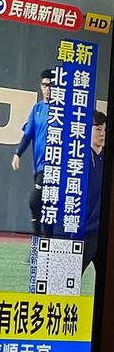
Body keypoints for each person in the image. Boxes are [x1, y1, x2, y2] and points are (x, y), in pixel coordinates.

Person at [12, 69, 54, 239]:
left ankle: (38, 237)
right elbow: (28, 134)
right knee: (45, 205)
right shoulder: (37, 109)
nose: (48, 88)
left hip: (52, 167)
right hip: (38, 166)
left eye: (51, 85)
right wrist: (18, 153)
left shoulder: (62, 112)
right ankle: (46, 241)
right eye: (45, 85)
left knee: (35, 201)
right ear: (41, 86)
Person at [80, 109, 106, 277]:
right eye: (97, 129)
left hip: (103, 234)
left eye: (105, 129)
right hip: (84, 234)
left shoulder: (106, 160)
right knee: (70, 279)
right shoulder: (78, 160)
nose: (102, 134)